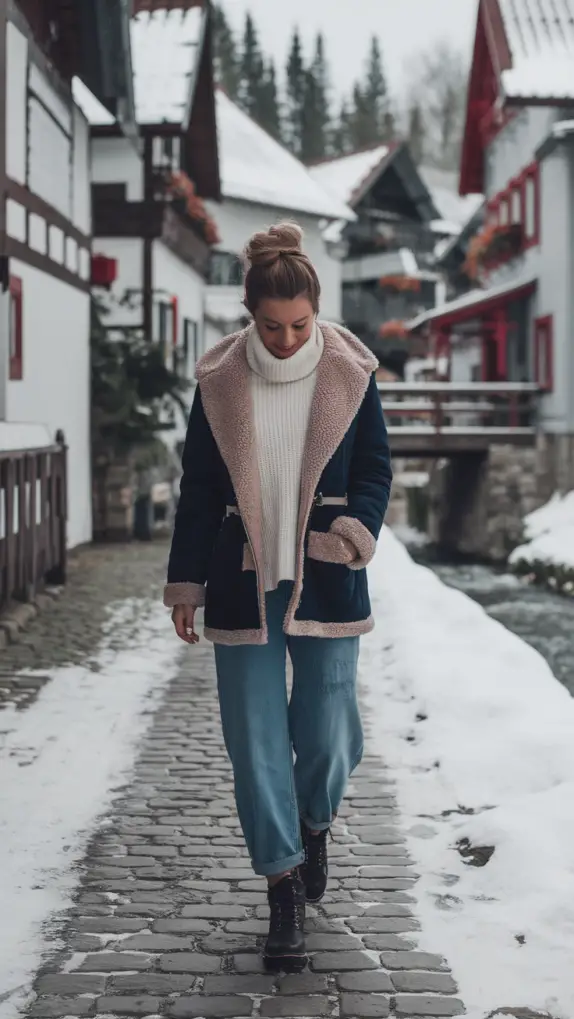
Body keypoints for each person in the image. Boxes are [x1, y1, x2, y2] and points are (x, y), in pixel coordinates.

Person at [164, 222, 392, 970]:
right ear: (249, 313)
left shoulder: (352, 374)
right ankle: (283, 884)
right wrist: (187, 580)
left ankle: (315, 819)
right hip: (240, 576)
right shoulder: (220, 379)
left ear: (316, 310)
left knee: (328, 731)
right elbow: (199, 489)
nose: (288, 339)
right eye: (272, 326)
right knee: (254, 742)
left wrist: (356, 532)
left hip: (326, 569)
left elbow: (375, 471)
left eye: (300, 325)